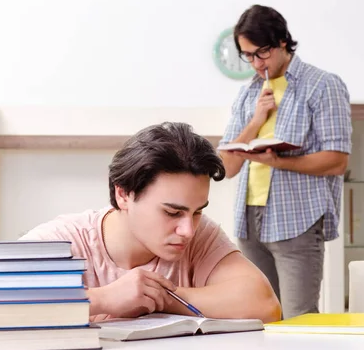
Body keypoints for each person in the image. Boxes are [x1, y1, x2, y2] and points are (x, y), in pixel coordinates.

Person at [20, 122, 281, 323]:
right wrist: (102, 299)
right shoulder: (63, 240)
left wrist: (162, 297)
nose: (188, 230)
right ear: (123, 194)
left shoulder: (201, 234)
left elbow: (265, 304)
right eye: (171, 212)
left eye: (197, 211)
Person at [219, 5, 352, 318]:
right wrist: (256, 120)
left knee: (299, 317)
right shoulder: (248, 94)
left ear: (281, 42)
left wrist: (279, 162)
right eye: (247, 56)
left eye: (260, 53)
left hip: (298, 218)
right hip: (249, 219)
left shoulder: (322, 85)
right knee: (258, 317)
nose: (255, 64)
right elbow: (227, 167)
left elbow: (336, 161)